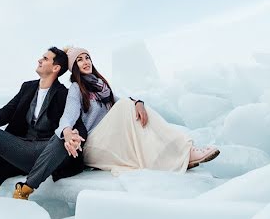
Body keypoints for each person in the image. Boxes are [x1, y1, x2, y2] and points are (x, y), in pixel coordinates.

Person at [0, 46, 87, 212]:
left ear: (56, 68)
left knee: (61, 137)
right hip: (23, 149)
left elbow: (77, 123)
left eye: (45, 58)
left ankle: (24, 190)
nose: (39, 60)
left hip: (48, 151)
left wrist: (74, 135)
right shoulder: (27, 87)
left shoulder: (63, 94)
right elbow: (8, 110)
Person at [57, 46, 219, 174]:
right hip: (93, 145)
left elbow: (121, 101)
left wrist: (139, 103)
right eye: (80, 60)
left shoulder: (101, 86)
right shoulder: (76, 88)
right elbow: (67, 116)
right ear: (74, 67)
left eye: (87, 58)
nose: (86, 62)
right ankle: (185, 149)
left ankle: (179, 152)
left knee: (135, 112)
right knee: (126, 106)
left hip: (109, 140)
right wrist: (67, 131)